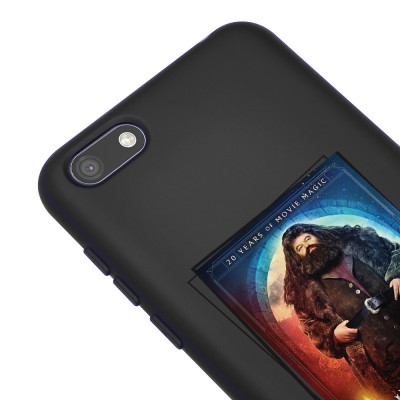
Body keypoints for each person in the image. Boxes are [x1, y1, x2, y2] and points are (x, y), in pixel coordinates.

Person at [282, 223, 400, 397]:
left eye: (308, 238)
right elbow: (312, 327)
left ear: (318, 236)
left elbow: (396, 250)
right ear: (297, 257)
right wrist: (333, 335)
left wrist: (396, 273)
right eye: (300, 248)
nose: (308, 246)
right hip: (385, 361)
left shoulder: (361, 241)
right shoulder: (305, 295)